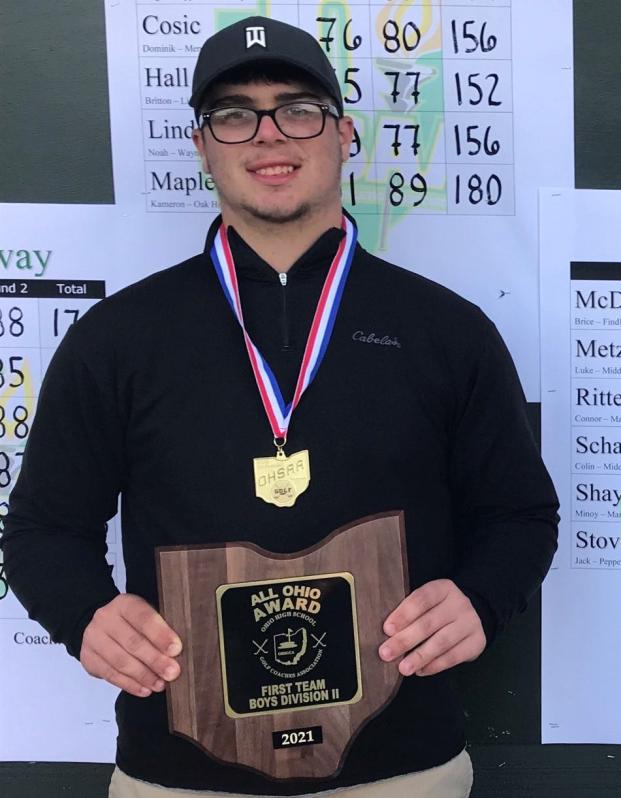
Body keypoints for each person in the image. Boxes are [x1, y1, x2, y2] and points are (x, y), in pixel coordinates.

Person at [0, 16, 558, 797]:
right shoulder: (118, 339)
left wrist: (481, 598)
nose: (269, 135)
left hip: (402, 770)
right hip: (179, 776)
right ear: (202, 146)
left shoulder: (447, 331)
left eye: (297, 108)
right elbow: (41, 530)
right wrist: (84, 614)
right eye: (234, 115)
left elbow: (521, 515)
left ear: (344, 134)